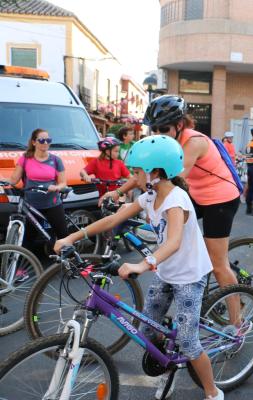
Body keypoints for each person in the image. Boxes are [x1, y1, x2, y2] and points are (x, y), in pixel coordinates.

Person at [54, 136, 225, 400]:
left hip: (190, 276)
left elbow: (175, 241)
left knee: (190, 343)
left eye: (136, 171)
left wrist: (143, 264)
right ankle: (169, 362)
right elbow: (113, 219)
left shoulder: (176, 201)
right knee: (147, 331)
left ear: (155, 172)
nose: (132, 177)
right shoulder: (150, 196)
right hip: (167, 272)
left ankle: (213, 392)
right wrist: (71, 238)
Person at [100, 95, 242, 329]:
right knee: (176, 234)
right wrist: (117, 193)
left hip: (220, 198)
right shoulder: (166, 142)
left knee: (218, 264)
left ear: (180, 125)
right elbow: (146, 172)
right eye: (154, 129)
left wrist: (143, 201)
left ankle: (237, 324)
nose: (158, 133)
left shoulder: (194, 142)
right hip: (196, 194)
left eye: (164, 129)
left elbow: (168, 178)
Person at [9, 128, 68, 246]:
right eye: (42, 140)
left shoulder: (56, 160)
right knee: (27, 241)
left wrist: (56, 187)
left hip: (52, 204)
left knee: (63, 237)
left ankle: (71, 262)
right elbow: (13, 180)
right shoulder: (25, 159)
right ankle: (24, 263)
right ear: (34, 142)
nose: (45, 143)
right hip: (31, 206)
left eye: (48, 140)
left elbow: (63, 183)